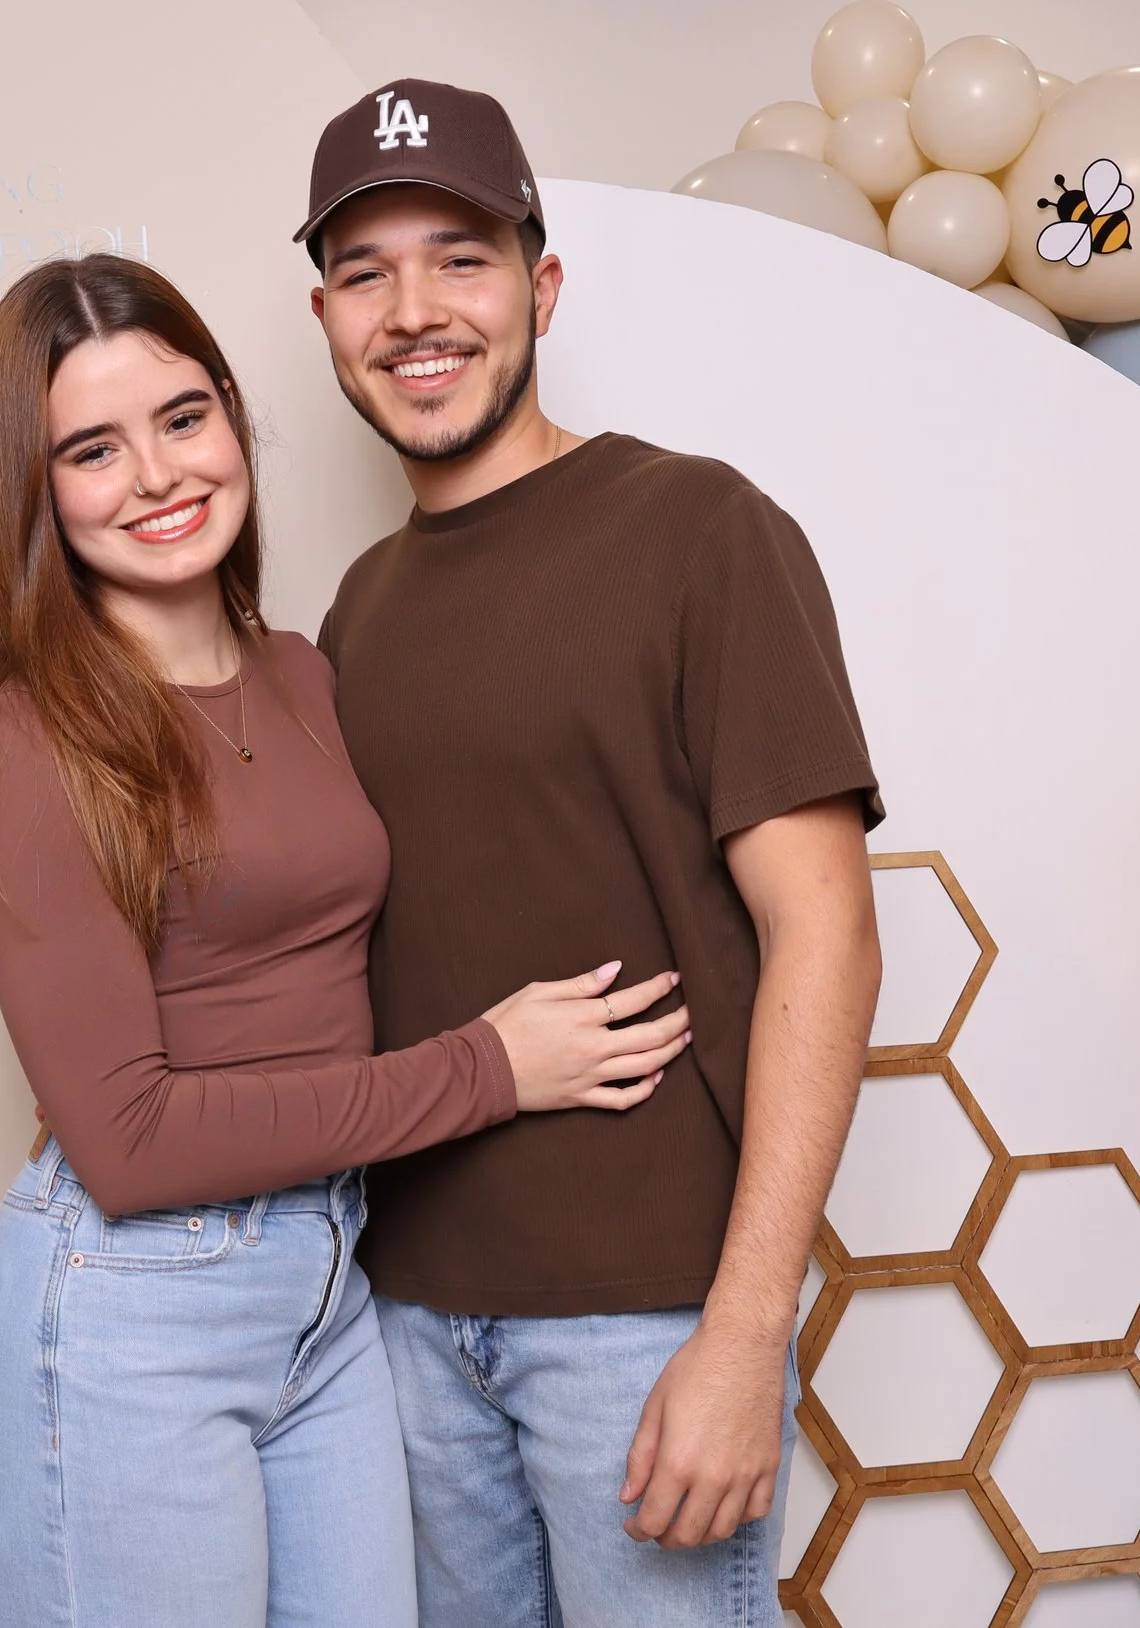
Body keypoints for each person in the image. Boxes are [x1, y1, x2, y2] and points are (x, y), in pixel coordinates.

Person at [0, 252, 696, 1628]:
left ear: (234, 415)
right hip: (131, 1318)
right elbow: (132, 1138)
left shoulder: (303, 670)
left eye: (183, 417)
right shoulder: (31, 738)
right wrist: (488, 1069)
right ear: (35, 493)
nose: (160, 474)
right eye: (93, 450)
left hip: (332, 1299)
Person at [299, 80, 888, 1627]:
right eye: (367, 273)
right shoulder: (357, 607)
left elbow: (825, 934)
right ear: (326, 317)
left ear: (541, 287)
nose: (415, 312)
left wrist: (747, 1329)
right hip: (404, 1312)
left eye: (461, 260)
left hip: (639, 1321)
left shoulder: (700, 530)